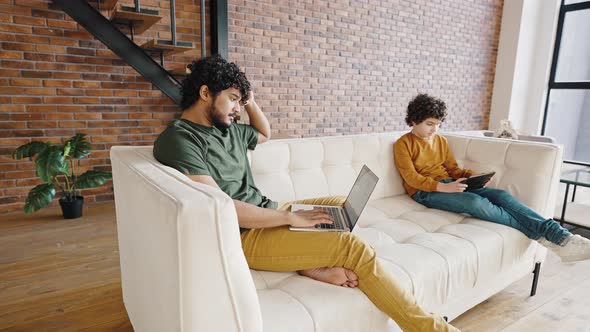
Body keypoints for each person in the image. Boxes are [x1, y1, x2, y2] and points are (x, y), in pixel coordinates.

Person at [153, 55, 459, 332]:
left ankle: (308, 263)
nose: (237, 109)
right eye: (232, 99)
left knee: (341, 205)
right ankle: (430, 328)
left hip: (266, 210)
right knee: (352, 248)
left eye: (239, 102)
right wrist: (289, 217)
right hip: (242, 235)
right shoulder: (181, 139)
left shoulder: (225, 128)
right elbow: (222, 208)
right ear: (205, 93)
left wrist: (247, 100)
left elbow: (264, 133)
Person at [394, 93, 590, 263]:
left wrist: (472, 177)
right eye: (429, 124)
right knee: (475, 202)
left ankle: (562, 237)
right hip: (424, 192)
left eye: (437, 124)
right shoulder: (403, 144)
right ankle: (550, 238)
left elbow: (452, 169)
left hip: (450, 184)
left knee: (501, 196)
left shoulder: (440, 141)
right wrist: (440, 187)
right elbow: (410, 177)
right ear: (413, 120)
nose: (434, 129)